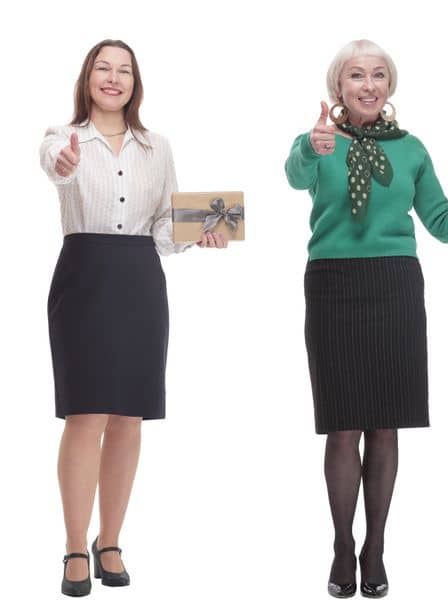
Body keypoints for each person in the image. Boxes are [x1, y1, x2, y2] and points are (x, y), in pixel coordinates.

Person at [284, 39, 448, 599]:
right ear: (338, 88)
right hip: (333, 285)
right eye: (356, 75)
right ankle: (342, 544)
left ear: (389, 87)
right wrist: (309, 145)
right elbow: (295, 175)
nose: (368, 85)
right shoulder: (318, 140)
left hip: (394, 285)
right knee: (343, 421)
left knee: (385, 422)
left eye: (378, 75)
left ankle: (375, 547)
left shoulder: (412, 149)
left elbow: (442, 223)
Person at [40, 38, 230, 598]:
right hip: (84, 278)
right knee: (85, 413)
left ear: (135, 83)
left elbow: (165, 231)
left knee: (128, 417)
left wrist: (203, 235)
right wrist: (66, 160)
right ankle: (76, 544)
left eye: (124, 70)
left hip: (141, 281)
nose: (113, 78)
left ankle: (111, 539)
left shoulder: (157, 146)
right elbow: (55, 166)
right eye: (104, 68)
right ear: (87, 77)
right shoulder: (62, 138)